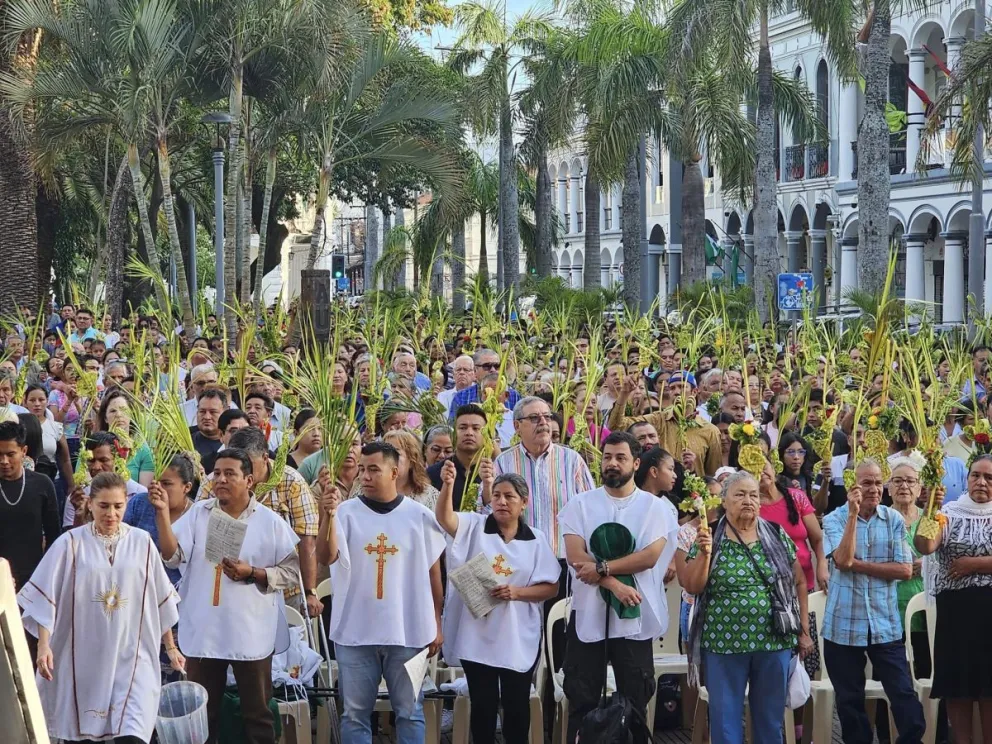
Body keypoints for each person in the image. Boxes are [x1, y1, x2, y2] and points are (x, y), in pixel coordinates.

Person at [19, 471, 182, 744]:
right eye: (104, 506)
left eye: (118, 506)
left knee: (132, 735)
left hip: (133, 655)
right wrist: (44, 646)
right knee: (83, 734)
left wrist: (170, 647)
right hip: (83, 657)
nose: (111, 513)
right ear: (91, 504)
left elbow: (157, 600)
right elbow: (46, 597)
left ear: (126, 504)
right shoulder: (69, 545)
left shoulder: (142, 543)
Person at [153, 448, 300, 744]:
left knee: (257, 713)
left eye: (229, 473)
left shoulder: (270, 522)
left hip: (250, 631)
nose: (220, 479)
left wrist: (254, 572)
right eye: (216, 473)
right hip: (205, 628)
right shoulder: (199, 514)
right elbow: (171, 556)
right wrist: (161, 513)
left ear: (249, 480)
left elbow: (290, 572)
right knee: (203, 714)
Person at [317, 441, 446, 744]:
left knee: (410, 711)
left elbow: (433, 574)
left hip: (408, 631)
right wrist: (328, 515)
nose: (365, 476)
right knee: (355, 713)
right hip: (355, 631)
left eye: (374, 469)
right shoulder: (345, 513)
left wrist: (436, 622)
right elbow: (325, 557)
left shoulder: (419, 516)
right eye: (362, 470)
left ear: (395, 471)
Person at [558, 432, 679, 744]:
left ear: (636, 463)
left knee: (635, 699)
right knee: (581, 697)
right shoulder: (580, 504)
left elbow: (649, 557)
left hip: (634, 619)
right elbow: (575, 556)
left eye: (620, 457)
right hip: (588, 615)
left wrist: (602, 569)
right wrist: (613, 584)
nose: (612, 463)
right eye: (607, 456)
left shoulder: (655, 508)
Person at [681, 471, 812, 744]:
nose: (748, 500)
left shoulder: (775, 534)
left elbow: (799, 581)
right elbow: (693, 586)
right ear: (724, 501)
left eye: (753, 495)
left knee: (769, 721)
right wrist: (705, 556)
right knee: (725, 722)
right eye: (739, 495)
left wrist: (804, 630)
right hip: (723, 643)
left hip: (774, 641)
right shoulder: (710, 537)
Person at [435, 463, 560, 744]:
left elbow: (551, 586)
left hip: (517, 636)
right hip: (477, 635)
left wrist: (516, 593)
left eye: (510, 497)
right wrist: (448, 485)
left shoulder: (536, 540)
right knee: (483, 707)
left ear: (524, 502)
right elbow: (445, 518)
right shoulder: (475, 526)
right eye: (497, 496)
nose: (501, 502)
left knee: (516, 708)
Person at [820, 459, 926, 744]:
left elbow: (904, 570)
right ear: (852, 486)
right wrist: (853, 516)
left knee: (905, 698)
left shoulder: (892, 519)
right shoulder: (834, 519)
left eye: (879, 482)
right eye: (867, 483)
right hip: (843, 627)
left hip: (884, 625)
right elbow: (841, 559)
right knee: (850, 704)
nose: (875, 489)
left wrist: (858, 565)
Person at [199, 427, 320, 616]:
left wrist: (310, 591)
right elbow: (198, 531)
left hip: (282, 588)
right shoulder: (214, 482)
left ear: (264, 458)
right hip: (224, 588)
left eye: (248, 463)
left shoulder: (292, 482)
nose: (241, 470)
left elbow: (307, 539)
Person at [915, 454, 992, 743]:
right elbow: (925, 546)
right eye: (975, 475)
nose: (981, 482)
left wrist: (973, 564)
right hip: (956, 617)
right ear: (967, 478)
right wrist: (929, 511)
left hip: (989, 617)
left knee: (989, 691)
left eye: (989, 477)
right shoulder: (948, 512)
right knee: (957, 690)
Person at [494, 396, 596, 560]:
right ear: (516, 426)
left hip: (564, 560)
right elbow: (492, 512)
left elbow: (591, 510)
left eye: (547, 417)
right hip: (519, 560)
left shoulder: (571, 460)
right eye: (534, 418)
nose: (543, 422)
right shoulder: (503, 462)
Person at [609, 372, 722, 476]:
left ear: (694, 391)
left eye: (682, 387)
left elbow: (713, 474)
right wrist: (624, 393)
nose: (676, 392)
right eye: (672, 388)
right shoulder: (657, 420)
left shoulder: (710, 431)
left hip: (695, 495)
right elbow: (616, 426)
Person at [0, 421, 61, 598]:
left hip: (35, 579)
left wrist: (48, 578)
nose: (4, 461)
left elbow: (53, 536)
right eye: (0, 455)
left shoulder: (42, 484)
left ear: (23, 452)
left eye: (10, 454)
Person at [124, 452, 195, 586]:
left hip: (177, 593)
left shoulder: (195, 515)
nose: (159, 488)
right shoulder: (139, 503)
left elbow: (172, 559)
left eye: (167, 484)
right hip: (137, 585)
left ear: (187, 487)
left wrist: (162, 511)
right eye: (157, 481)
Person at [757, 459, 828, 592]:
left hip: (806, 583)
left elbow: (818, 540)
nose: (761, 471)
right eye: (754, 469)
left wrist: (822, 565)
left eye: (764, 466)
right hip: (770, 589)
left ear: (773, 469)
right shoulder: (752, 508)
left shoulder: (797, 497)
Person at [673, 477, 723, 642]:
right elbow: (682, 579)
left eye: (720, 495)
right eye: (711, 496)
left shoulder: (729, 529)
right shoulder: (686, 532)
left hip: (721, 604)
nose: (717, 501)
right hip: (694, 605)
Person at [65, 432, 149, 528]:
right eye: (91, 461)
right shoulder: (78, 497)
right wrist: (79, 515)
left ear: (119, 459)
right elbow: (70, 539)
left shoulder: (140, 494)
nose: (96, 467)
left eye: (104, 460)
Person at [427, 404, 489, 511]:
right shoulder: (434, 474)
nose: (469, 433)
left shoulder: (492, 472)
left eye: (476, 428)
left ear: (486, 434)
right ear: (454, 434)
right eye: (463, 428)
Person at [97, 389, 154, 487]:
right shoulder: (93, 447)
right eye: (113, 411)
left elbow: (144, 492)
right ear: (105, 418)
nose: (118, 415)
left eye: (124, 410)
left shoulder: (142, 450)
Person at [448, 348, 522, 420]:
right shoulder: (461, 396)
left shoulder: (513, 395)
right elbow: (453, 427)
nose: (493, 370)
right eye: (487, 366)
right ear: (475, 370)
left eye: (497, 366)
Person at [24, 384, 73, 487]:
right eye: (32, 400)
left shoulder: (55, 427)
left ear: (47, 401)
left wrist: (71, 485)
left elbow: (65, 459)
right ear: (25, 402)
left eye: (41, 400)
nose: (37, 404)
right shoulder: (19, 426)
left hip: (52, 481)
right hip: (25, 482)